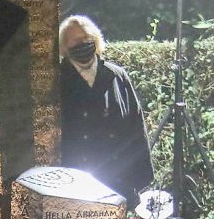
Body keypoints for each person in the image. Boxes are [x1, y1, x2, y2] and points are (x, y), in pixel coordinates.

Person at [59, 15, 154, 208]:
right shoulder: (57, 81)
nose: (84, 44)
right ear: (64, 47)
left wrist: (138, 179)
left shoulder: (117, 76)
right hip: (73, 189)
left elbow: (135, 126)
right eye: (77, 41)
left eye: (88, 39)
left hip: (116, 184)